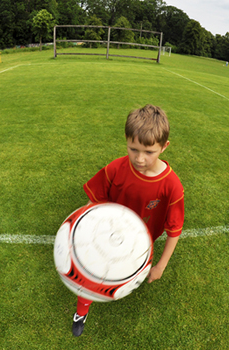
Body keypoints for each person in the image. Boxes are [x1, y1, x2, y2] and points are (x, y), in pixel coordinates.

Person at [72, 104, 185, 337]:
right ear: (126, 141)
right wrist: (82, 230)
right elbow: (94, 200)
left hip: (139, 245)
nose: (140, 159)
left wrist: (161, 266)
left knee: (122, 276)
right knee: (90, 275)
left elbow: (174, 229)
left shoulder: (172, 186)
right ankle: (82, 310)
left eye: (149, 152)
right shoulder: (116, 168)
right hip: (105, 234)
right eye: (133, 149)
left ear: (165, 147)